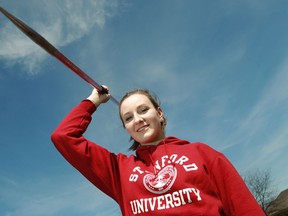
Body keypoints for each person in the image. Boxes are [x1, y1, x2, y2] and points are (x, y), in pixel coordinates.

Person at [51, 86, 265, 216]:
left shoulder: (202, 153)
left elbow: (244, 208)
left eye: (143, 110)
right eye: (128, 118)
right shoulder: (119, 171)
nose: (138, 119)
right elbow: (63, 136)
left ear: (159, 113)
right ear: (126, 128)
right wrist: (93, 101)